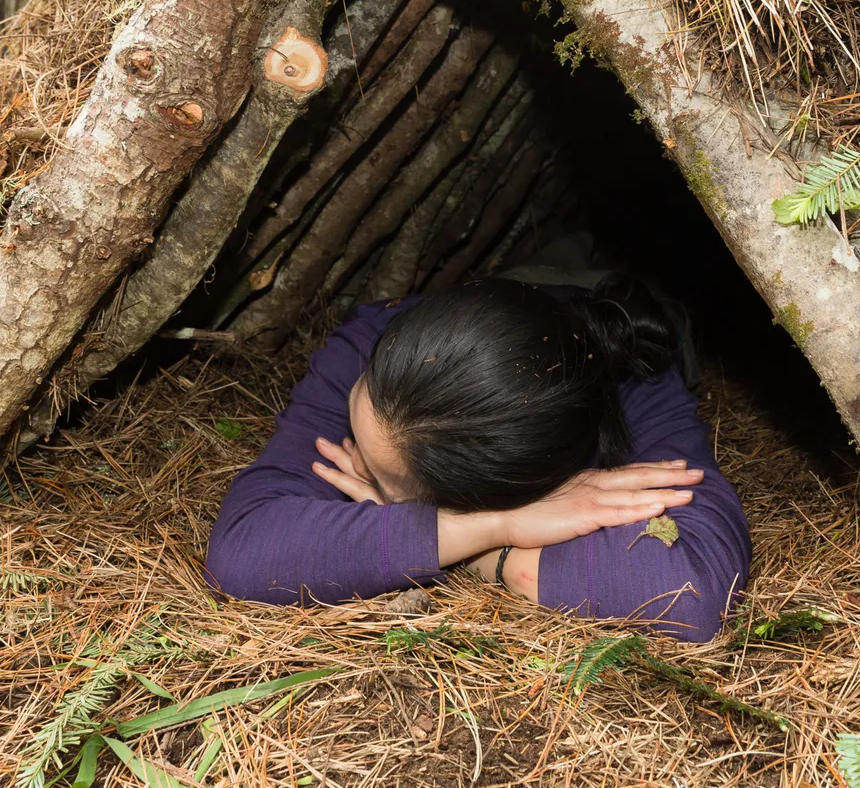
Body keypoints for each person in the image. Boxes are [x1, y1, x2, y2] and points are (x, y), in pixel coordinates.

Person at [204, 275, 751, 642]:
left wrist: (429, 540)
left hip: (637, 314)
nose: (369, 478)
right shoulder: (373, 340)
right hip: (512, 290)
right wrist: (495, 525)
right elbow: (248, 548)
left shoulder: (637, 385)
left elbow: (691, 591)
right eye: (359, 401)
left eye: (392, 484)